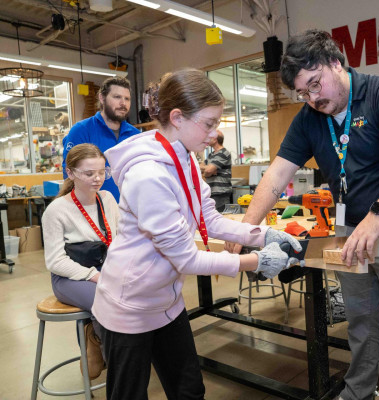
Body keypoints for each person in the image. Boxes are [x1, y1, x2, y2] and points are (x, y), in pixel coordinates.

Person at [226, 30, 379, 400]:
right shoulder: (309, 116)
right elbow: (278, 172)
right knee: (359, 320)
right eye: (303, 93)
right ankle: (358, 391)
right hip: (350, 230)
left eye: (315, 84)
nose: (313, 98)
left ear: (335, 63)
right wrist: (248, 226)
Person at [92, 68, 302, 400]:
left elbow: (210, 218)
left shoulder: (185, 159)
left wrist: (263, 235)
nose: (214, 132)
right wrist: (256, 260)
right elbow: (185, 257)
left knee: (189, 390)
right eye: (208, 123)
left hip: (167, 300)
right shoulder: (148, 174)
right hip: (129, 305)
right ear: (177, 117)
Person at [42, 143, 119, 380]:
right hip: (69, 277)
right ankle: (117, 366)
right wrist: (93, 276)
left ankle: (97, 337)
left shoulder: (107, 199)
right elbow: (55, 262)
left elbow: (120, 239)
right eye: (89, 174)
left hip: (105, 267)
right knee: (107, 301)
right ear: (70, 173)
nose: (97, 179)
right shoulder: (56, 211)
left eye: (102, 172)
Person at [62, 76, 140, 202]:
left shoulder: (135, 135)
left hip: (128, 211)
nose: (123, 103)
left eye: (127, 99)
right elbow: (69, 173)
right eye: (117, 97)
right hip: (93, 210)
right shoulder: (81, 130)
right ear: (102, 98)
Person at [199, 130, 232, 212]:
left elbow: (209, 170)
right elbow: (200, 167)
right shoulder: (211, 155)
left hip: (221, 193)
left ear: (215, 139)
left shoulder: (224, 153)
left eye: (210, 137)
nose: (208, 139)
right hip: (212, 192)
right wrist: (209, 171)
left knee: (221, 218)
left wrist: (209, 170)